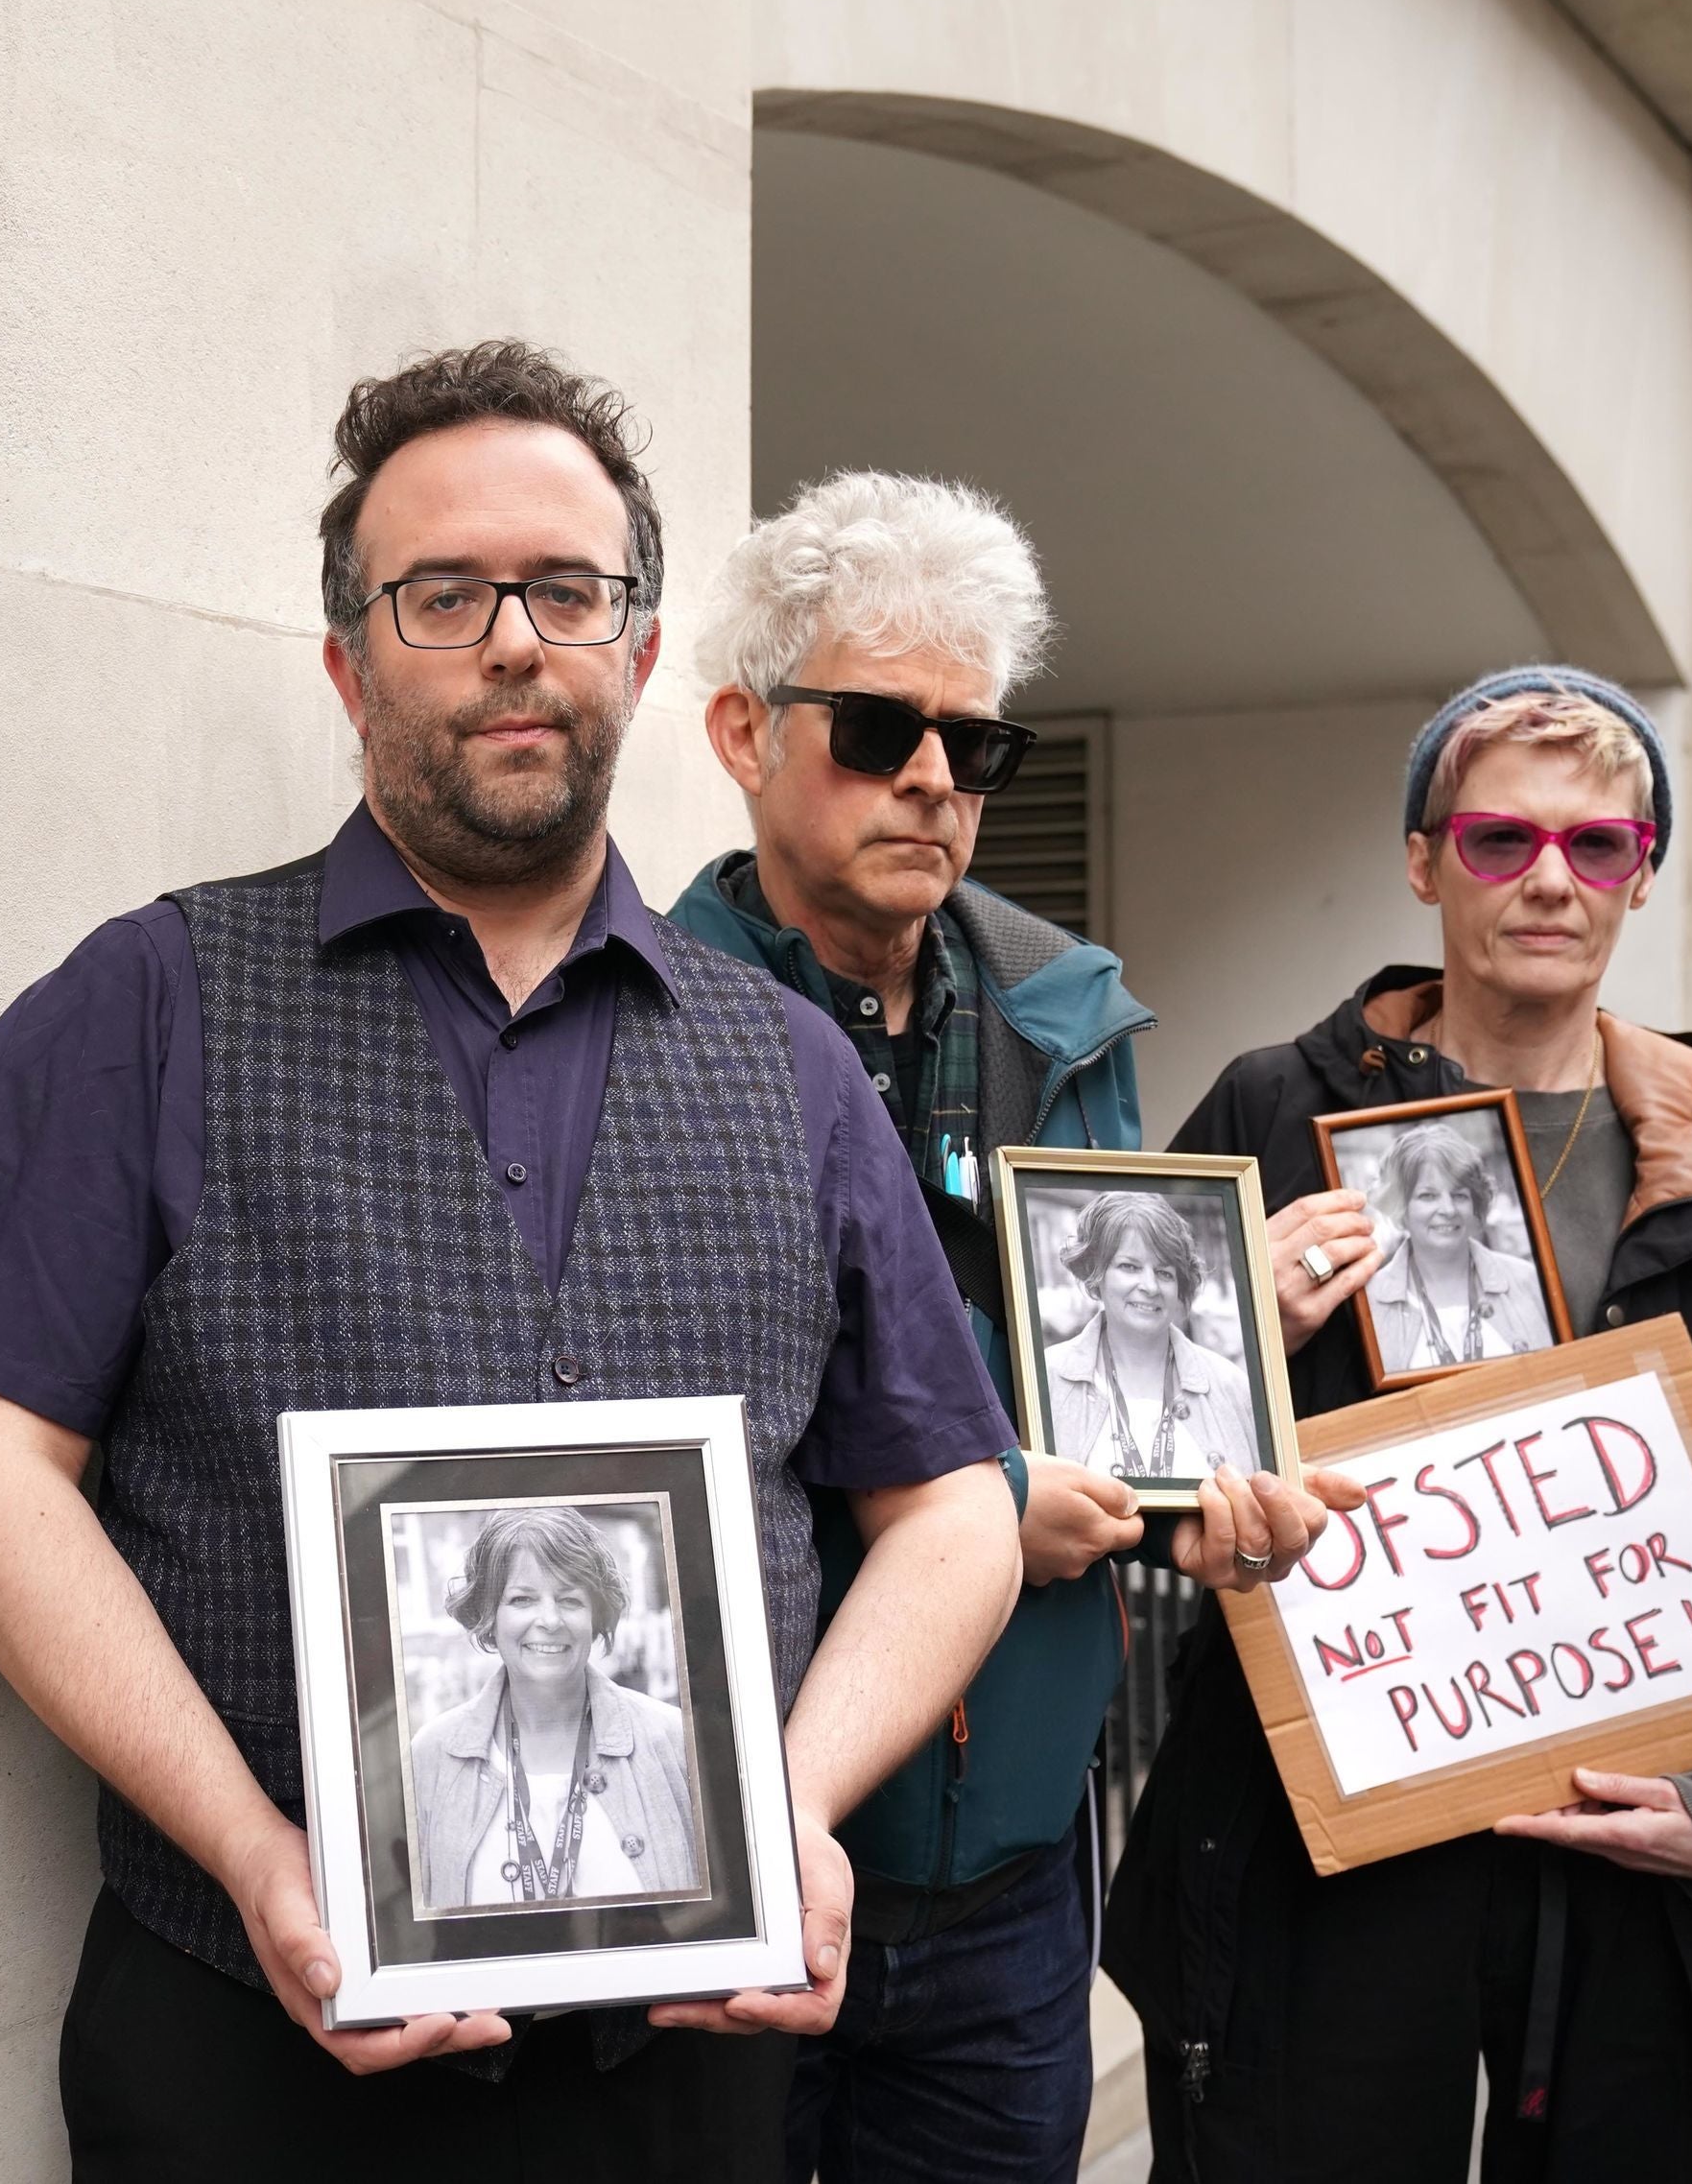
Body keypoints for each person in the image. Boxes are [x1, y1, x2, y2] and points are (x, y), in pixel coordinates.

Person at [0, 344, 1028, 2182]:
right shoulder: (145, 1003)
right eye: (443, 593)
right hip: (246, 2049)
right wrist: (256, 1853)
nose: (514, 639)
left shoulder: (791, 1067)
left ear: (640, 652)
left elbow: (953, 1502)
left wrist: (786, 1806)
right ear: (349, 659)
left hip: (681, 2078)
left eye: (569, 591)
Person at [1106, 667, 1692, 2184]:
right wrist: (1246, 1345)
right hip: (1327, 1879)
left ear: (1640, 877)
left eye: (1595, 846)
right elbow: (1120, 1466)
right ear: (1424, 863)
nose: (1550, 879)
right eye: (1499, 841)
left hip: (1644, 1896)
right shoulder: (1273, 1113)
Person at [666, 470, 1358, 2184]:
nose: (929, 778)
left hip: (1021, 1867)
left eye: (971, 745)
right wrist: (985, 1498)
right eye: (879, 726)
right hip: (734, 1842)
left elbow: (1100, 1362)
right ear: (744, 730)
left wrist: (1202, 1491)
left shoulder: (1066, 1014)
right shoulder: (635, 1016)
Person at [411, 1508, 702, 1910]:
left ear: (596, 1615)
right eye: (522, 1599)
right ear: (488, 1615)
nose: (549, 1620)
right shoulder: (430, 1757)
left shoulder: (675, 1742)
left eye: (569, 1599)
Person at [1039, 1192, 1259, 1484]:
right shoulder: (1046, 1379)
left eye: (1164, 1272)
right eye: (1129, 1266)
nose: (1150, 1286)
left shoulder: (1231, 1386)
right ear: (1096, 1273)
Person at [1359, 1121, 1557, 1372]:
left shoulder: (1528, 1281)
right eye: (1428, 1196)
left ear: (1476, 1203)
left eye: (1459, 1195)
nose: (1448, 1210)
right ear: (1400, 1207)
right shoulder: (1369, 1302)